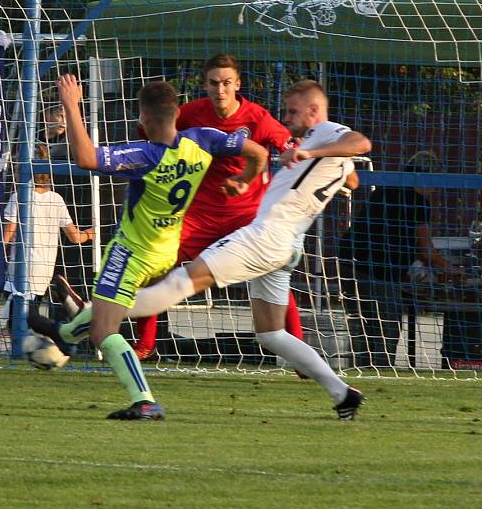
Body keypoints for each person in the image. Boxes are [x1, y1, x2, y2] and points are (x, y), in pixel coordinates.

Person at [118, 80, 372, 419]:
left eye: (293, 111)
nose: (286, 117)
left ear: (314, 111)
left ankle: (94, 312)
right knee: (270, 333)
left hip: (265, 236)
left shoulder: (327, 131)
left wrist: (309, 153)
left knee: (182, 281)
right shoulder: (322, 145)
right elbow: (351, 176)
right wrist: (319, 165)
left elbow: (361, 142)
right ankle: (342, 393)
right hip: (285, 243)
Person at [30, 73, 268, 420]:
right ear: (177, 113)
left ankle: (144, 399)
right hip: (167, 253)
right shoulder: (203, 140)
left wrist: (70, 104)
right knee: (106, 310)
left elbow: (86, 158)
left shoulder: (145, 155)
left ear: (143, 118)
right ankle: (65, 334)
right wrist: (244, 181)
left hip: (130, 254)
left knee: (104, 331)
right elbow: (258, 152)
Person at [133, 54, 303, 360]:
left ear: (237, 84)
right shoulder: (191, 113)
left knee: (274, 274)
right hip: (200, 214)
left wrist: (293, 154)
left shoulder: (257, 117)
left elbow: (288, 145)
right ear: (205, 84)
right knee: (157, 266)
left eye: (226, 83)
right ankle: (145, 344)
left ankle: (298, 350)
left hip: (247, 215)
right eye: (213, 83)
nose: (220, 90)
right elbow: (156, 131)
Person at [339, 149, 461, 368]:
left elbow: (404, 240)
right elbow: (426, 251)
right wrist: (454, 270)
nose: (434, 190)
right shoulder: (417, 201)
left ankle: (359, 368)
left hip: (350, 260)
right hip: (376, 268)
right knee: (386, 326)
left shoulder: (387, 190)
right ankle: (380, 368)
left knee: (361, 323)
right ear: (427, 177)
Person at [0, 144, 94, 337]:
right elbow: (75, 237)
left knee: (23, 318)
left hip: (21, 267)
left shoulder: (19, 197)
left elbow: (6, 237)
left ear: (22, 170)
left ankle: (60, 334)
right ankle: (29, 340)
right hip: (45, 268)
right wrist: (92, 233)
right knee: (24, 317)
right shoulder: (56, 199)